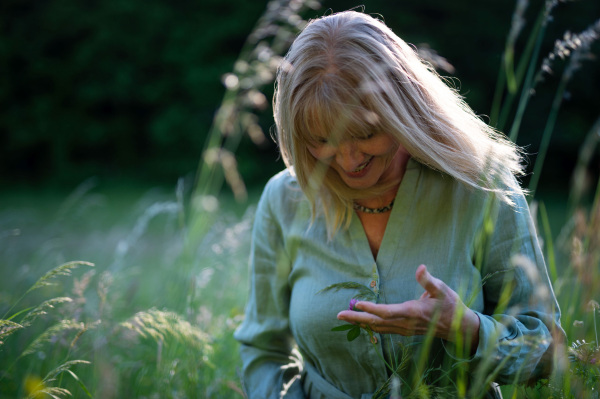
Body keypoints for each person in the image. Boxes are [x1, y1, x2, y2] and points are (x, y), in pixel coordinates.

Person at [234, 10, 565, 399]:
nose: (348, 159)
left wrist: (466, 328)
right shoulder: (285, 199)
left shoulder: (481, 189)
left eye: (366, 133)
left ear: (403, 109)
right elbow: (262, 349)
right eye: (322, 141)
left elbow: (549, 352)